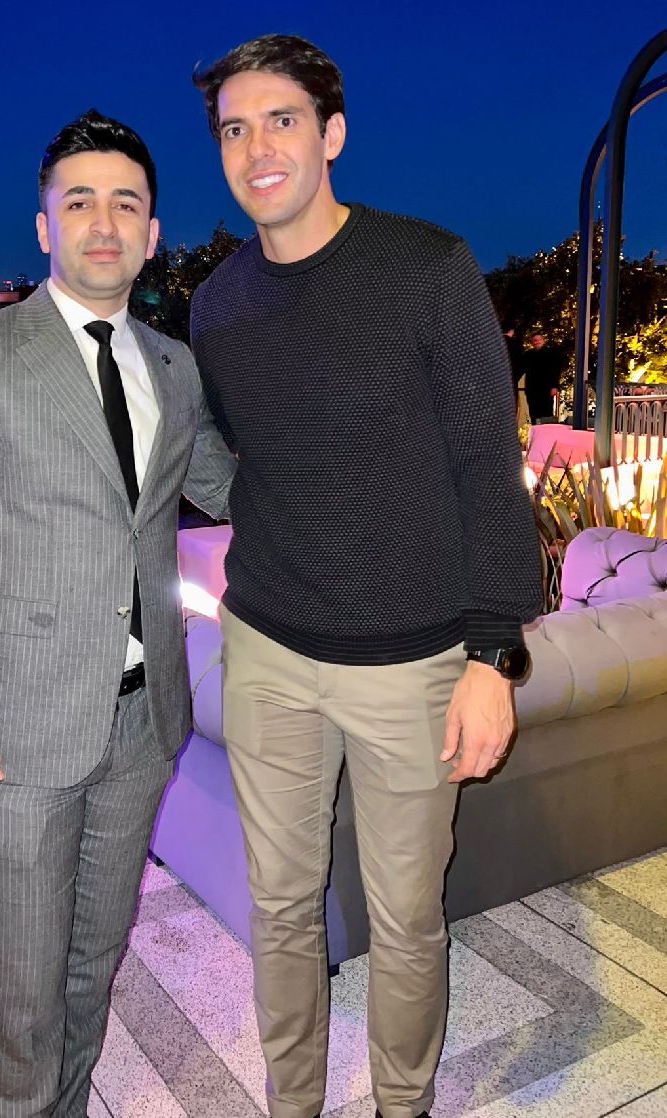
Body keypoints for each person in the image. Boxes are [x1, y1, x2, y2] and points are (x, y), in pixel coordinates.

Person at [189, 34, 540, 1118]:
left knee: (406, 919)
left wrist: (492, 654)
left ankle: (401, 1104)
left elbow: (487, 465)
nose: (257, 149)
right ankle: (291, 1102)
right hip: (267, 649)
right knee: (281, 908)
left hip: (412, 664)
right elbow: (242, 457)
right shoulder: (216, 307)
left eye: (281, 120)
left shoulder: (426, 268)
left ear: (331, 133)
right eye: (234, 129)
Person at [0, 108, 235, 1117]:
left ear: (152, 232)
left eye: (125, 204)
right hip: (15, 724)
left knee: (93, 954)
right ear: (45, 226)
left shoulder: (171, 365)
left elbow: (227, 484)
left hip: (140, 718)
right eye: (79, 202)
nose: (103, 223)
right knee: (22, 980)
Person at [523, 331, 562, 422]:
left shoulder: (551, 353)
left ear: (543, 341)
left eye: (539, 340)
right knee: (533, 413)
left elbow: (556, 371)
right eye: (535, 340)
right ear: (532, 342)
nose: (537, 342)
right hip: (532, 389)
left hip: (546, 389)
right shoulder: (528, 355)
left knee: (546, 413)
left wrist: (554, 386)